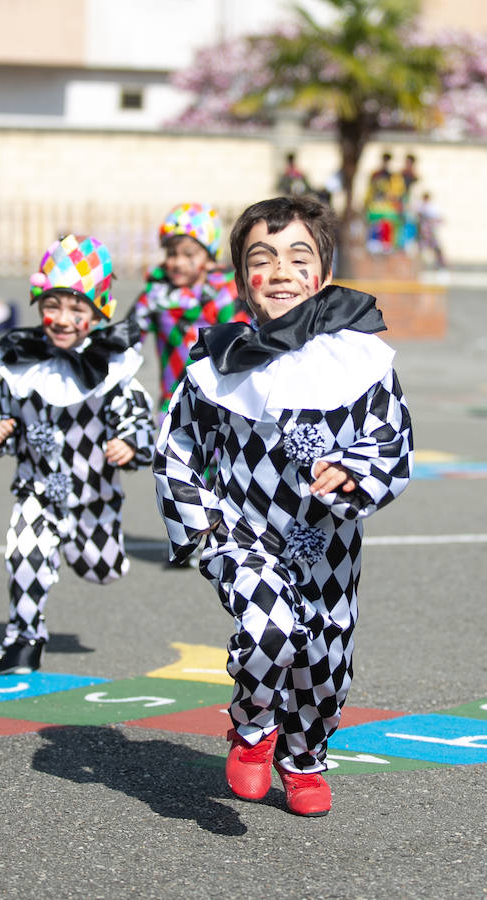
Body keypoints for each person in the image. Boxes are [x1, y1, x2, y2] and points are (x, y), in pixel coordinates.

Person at [153, 195, 413, 817]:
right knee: (269, 629)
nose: (280, 273)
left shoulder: (360, 363)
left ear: (321, 273)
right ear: (242, 278)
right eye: (261, 259)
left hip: (327, 541)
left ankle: (303, 758)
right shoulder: (215, 367)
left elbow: (390, 438)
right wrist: (202, 524)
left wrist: (352, 475)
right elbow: (177, 445)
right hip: (242, 531)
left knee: (325, 657)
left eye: (299, 258)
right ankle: (250, 729)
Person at [0, 234, 155, 674]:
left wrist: (129, 443)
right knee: (24, 551)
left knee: (102, 569)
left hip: (94, 497)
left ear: (97, 314)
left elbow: (139, 416)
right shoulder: (21, 364)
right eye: (52, 306)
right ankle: (24, 641)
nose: (63, 319)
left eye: (77, 309)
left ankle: (92, 551)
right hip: (37, 491)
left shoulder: (110, 367)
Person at [129, 202, 249, 421]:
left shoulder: (226, 295)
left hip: (223, 406)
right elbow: (126, 342)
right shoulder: (155, 297)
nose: (178, 262)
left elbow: (242, 347)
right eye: (171, 253)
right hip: (173, 404)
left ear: (210, 257)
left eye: (188, 254)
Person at [417, 192, 445, 269]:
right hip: (424, 232)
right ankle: (420, 265)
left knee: (436, 248)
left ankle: (440, 264)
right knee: (421, 248)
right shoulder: (420, 206)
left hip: (430, 232)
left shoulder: (432, 207)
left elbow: (439, 219)